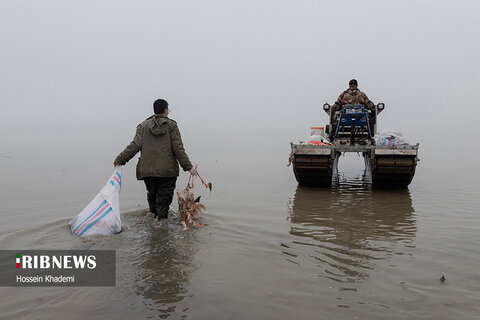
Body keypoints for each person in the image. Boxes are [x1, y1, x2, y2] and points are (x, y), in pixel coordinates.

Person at [113, 99, 196, 220]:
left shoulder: (143, 126)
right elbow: (178, 149)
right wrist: (189, 167)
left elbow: (134, 145)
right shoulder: (171, 126)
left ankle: (153, 218)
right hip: (167, 172)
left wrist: (120, 159)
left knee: (152, 195)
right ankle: (161, 225)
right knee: (164, 200)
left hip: (148, 171)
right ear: (165, 110)